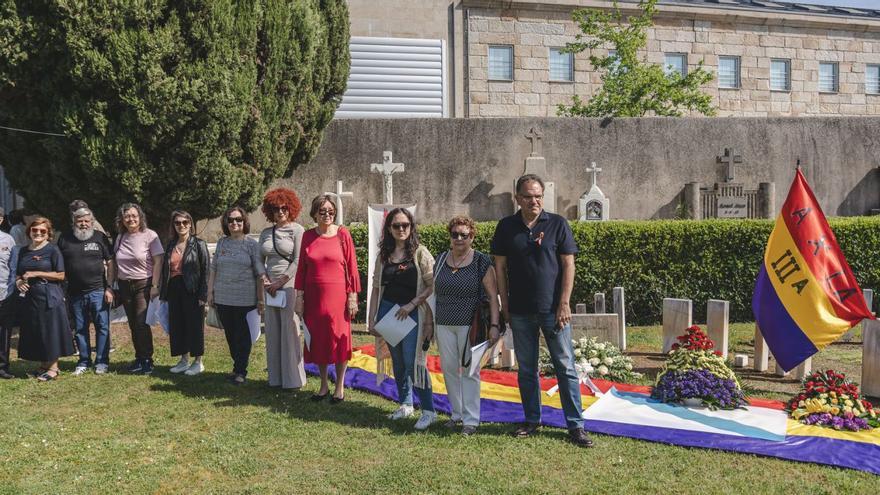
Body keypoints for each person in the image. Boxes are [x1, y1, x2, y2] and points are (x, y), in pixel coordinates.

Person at [491, 174, 593, 448]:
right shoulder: (506, 227)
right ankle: (532, 419)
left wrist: (564, 303)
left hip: (553, 310)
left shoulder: (558, 224)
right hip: (520, 311)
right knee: (527, 369)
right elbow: (499, 268)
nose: (534, 201)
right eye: (528, 196)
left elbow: (568, 264)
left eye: (538, 196)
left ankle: (576, 425)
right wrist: (505, 304)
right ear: (517, 198)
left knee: (565, 367)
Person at [367, 208, 437, 430]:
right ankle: (405, 404)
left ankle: (428, 410)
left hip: (413, 314)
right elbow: (376, 288)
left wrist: (412, 304)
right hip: (389, 314)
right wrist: (372, 319)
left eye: (405, 225)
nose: (401, 229)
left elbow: (432, 285)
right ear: (389, 228)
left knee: (414, 363)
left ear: (411, 227)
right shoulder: (384, 255)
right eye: (396, 225)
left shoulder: (420, 253)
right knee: (398, 362)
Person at [433, 216, 499, 436]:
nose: (459, 238)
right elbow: (433, 291)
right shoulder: (441, 259)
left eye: (465, 235)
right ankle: (457, 414)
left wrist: (495, 325)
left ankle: (471, 420)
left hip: (471, 325)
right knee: (450, 369)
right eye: (455, 234)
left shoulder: (481, 262)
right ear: (449, 236)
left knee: (470, 371)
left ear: (472, 236)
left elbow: (492, 296)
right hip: (443, 323)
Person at [294, 195, 360, 403]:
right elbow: (302, 269)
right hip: (314, 298)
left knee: (339, 339)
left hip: (339, 298)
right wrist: (299, 297)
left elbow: (352, 267)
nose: (327, 215)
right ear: (314, 213)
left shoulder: (343, 235)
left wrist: (352, 296)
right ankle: (323, 385)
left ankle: (339, 387)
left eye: (330, 211)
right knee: (319, 340)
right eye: (322, 211)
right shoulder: (307, 236)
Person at [207, 206, 266, 385]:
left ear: (244, 222)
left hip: (245, 299)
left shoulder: (251, 245)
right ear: (226, 223)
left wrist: (260, 298)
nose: (234, 223)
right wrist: (210, 292)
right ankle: (236, 367)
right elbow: (214, 268)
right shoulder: (222, 243)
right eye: (231, 220)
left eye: (238, 220)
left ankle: (241, 371)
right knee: (231, 335)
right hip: (223, 298)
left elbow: (259, 273)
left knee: (242, 336)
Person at [259, 188, 307, 390]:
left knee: (289, 330)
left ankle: (293, 379)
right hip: (269, 287)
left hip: (288, 285)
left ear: (291, 208)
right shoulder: (265, 233)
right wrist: (265, 277)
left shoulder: (298, 230)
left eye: (284, 208)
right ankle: (276, 378)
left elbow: (298, 260)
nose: (280, 212)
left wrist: (281, 281)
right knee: (272, 330)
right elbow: (258, 259)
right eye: (276, 208)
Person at [56, 207, 114, 375]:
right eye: (79, 220)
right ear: (74, 222)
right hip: (74, 293)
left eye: (86, 221)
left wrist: (109, 287)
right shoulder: (65, 238)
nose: (83, 224)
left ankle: (102, 361)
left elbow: (111, 262)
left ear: (92, 222)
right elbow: (58, 263)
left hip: (98, 290)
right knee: (80, 328)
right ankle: (84, 361)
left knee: (102, 327)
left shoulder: (99, 237)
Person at [14, 217, 73, 381]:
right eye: (35, 230)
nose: (38, 233)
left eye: (42, 231)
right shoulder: (24, 251)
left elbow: (61, 275)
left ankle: (53, 368)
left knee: (50, 331)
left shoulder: (53, 250)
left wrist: (36, 273)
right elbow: (19, 273)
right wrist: (19, 281)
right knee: (37, 330)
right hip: (30, 298)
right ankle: (43, 366)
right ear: (29, 232)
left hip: (50, 295)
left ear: (48, 234)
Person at [112, 203, 163, 375]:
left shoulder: (150, 235)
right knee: (133, 323)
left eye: (134, 215)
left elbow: (158, 261)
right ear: (122, 220)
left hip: (144, 283)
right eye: (127, 216)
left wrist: (155, 285)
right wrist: (112, 284)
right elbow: (115, 262)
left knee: (142, 323)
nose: (131, 219)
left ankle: (147, 359)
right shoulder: (120, 237)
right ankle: (139, 358)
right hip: (125, 285)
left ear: (140, 217)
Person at [159, 210, 209, 376]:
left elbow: (206, 271)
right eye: (177, 223)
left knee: (194, 326)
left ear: (190, 224)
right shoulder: (171, 245)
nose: (181, 225)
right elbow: (165, 270)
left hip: (192, 289)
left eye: (185, 222)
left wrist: (203, 295)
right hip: (174, 288)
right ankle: (183, 360)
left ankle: (198, 362)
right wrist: (163, 292)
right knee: (178, 325)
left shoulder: (199, 244)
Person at [0, 226, 15, 378]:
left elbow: (13, 266)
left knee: (4, 332)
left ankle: (2, 367)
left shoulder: (8, 239)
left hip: (4, 293)